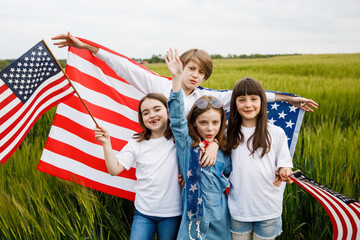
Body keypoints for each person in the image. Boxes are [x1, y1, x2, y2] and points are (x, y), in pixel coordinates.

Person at [94, 93, 182, 240]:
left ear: (168, 111)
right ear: (142, 119)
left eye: (157, 109)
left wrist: (214, 144)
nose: (152, 115)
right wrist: (106, 143)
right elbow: (114, 169)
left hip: (171, 213)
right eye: (145, 113)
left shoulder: (178, 139)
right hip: (144, 212)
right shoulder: (137, 142)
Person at [165, 48, 232, 239]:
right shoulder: (188, 145)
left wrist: (216, 144)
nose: (210, 128)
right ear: (194, 123)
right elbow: (177, 119)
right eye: (203, 123)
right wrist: (176, 78)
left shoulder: (225, 150)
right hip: (193, 222)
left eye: (215, 123)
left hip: (220, 218)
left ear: (221, 124)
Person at [225, 77, 294, 240]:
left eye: (254, 99)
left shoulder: (276, 133)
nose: (248, 104)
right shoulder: (228, 133)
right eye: (242, 100)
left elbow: (285, 165)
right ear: (235, 103)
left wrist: (285, 171)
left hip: (269, 207)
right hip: (239, 207)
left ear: (262, 102)